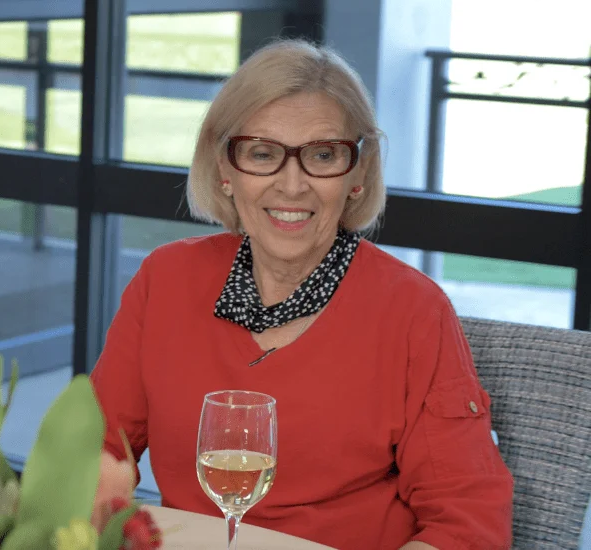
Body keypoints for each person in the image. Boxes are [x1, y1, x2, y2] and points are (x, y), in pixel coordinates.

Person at [90, 39, 514, 550]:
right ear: (225, 169)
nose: (292, 186)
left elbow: (469, 521)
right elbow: (97, 452)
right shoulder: (166, 278)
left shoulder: (413, 312)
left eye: (322, 155)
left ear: (357, 174)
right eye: (262, 154)